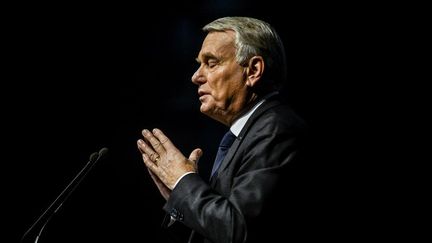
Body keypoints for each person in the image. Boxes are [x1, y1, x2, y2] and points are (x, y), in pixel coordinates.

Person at [137, 16, 310, 243]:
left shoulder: (276, 130)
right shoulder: (249, 133)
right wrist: (180, 196)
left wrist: (183, 181)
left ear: (253, 70)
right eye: (199, 64)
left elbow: (238, 230)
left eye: (211, 63)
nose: (196, 77)